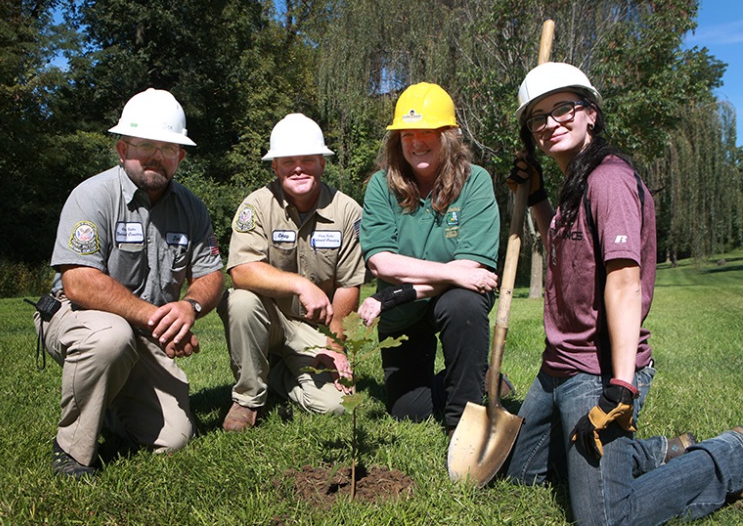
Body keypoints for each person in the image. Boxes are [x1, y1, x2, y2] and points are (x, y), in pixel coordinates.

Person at [504, 62, 743, 525]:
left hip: (597, 372)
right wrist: (536, 195)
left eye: (563, 110)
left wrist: (621, 383)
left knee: (606, 519)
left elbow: (624, 281)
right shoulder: (575, 182)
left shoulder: (607, 180)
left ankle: (729, 455)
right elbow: (563, 252)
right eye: (537, 117)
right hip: (556, 367)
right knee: (522, 477)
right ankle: (653, 452)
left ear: (590, 113)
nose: (550, 123)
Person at [36, 88, 224, 479]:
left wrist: (189, 308)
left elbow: (210, 274)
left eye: (168, 147)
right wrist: (158, 319)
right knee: (111, 336)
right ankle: (72, 452)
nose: (157, 155)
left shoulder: (192, 208)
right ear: (122, 150)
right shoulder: (92, 196)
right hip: (79, 318)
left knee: (175, 438)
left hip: (140, 331)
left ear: (181, 156)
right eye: (145, 145)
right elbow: (79, 282)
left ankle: (107, 405)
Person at [357, 82, 500, 435]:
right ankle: (468, 379)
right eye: (408, 134)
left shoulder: (475, 181)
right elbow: (381, 262)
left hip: (443, 301)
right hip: (403, 314)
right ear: (397, 140)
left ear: (448, 136)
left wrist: (394, 293)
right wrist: (448, 275)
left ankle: (462, 422)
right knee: (410, 412)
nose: (417, 141)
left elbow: (472, 269)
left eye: (428, 132)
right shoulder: (380, 186)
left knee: (463, 302)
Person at [217, 113, 366, 432]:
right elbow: (241, 272)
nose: (299, 168)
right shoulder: (255, 206)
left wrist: (336, 344)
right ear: (275, 167)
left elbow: (349, 285)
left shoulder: (348, 212)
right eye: (288, 161)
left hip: (316, 329)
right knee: (239, 300)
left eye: (308, 160)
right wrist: (299, 284)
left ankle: (273, 375)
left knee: (336, 405)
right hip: (268, 318)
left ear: (322, 164)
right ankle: (247, 398)